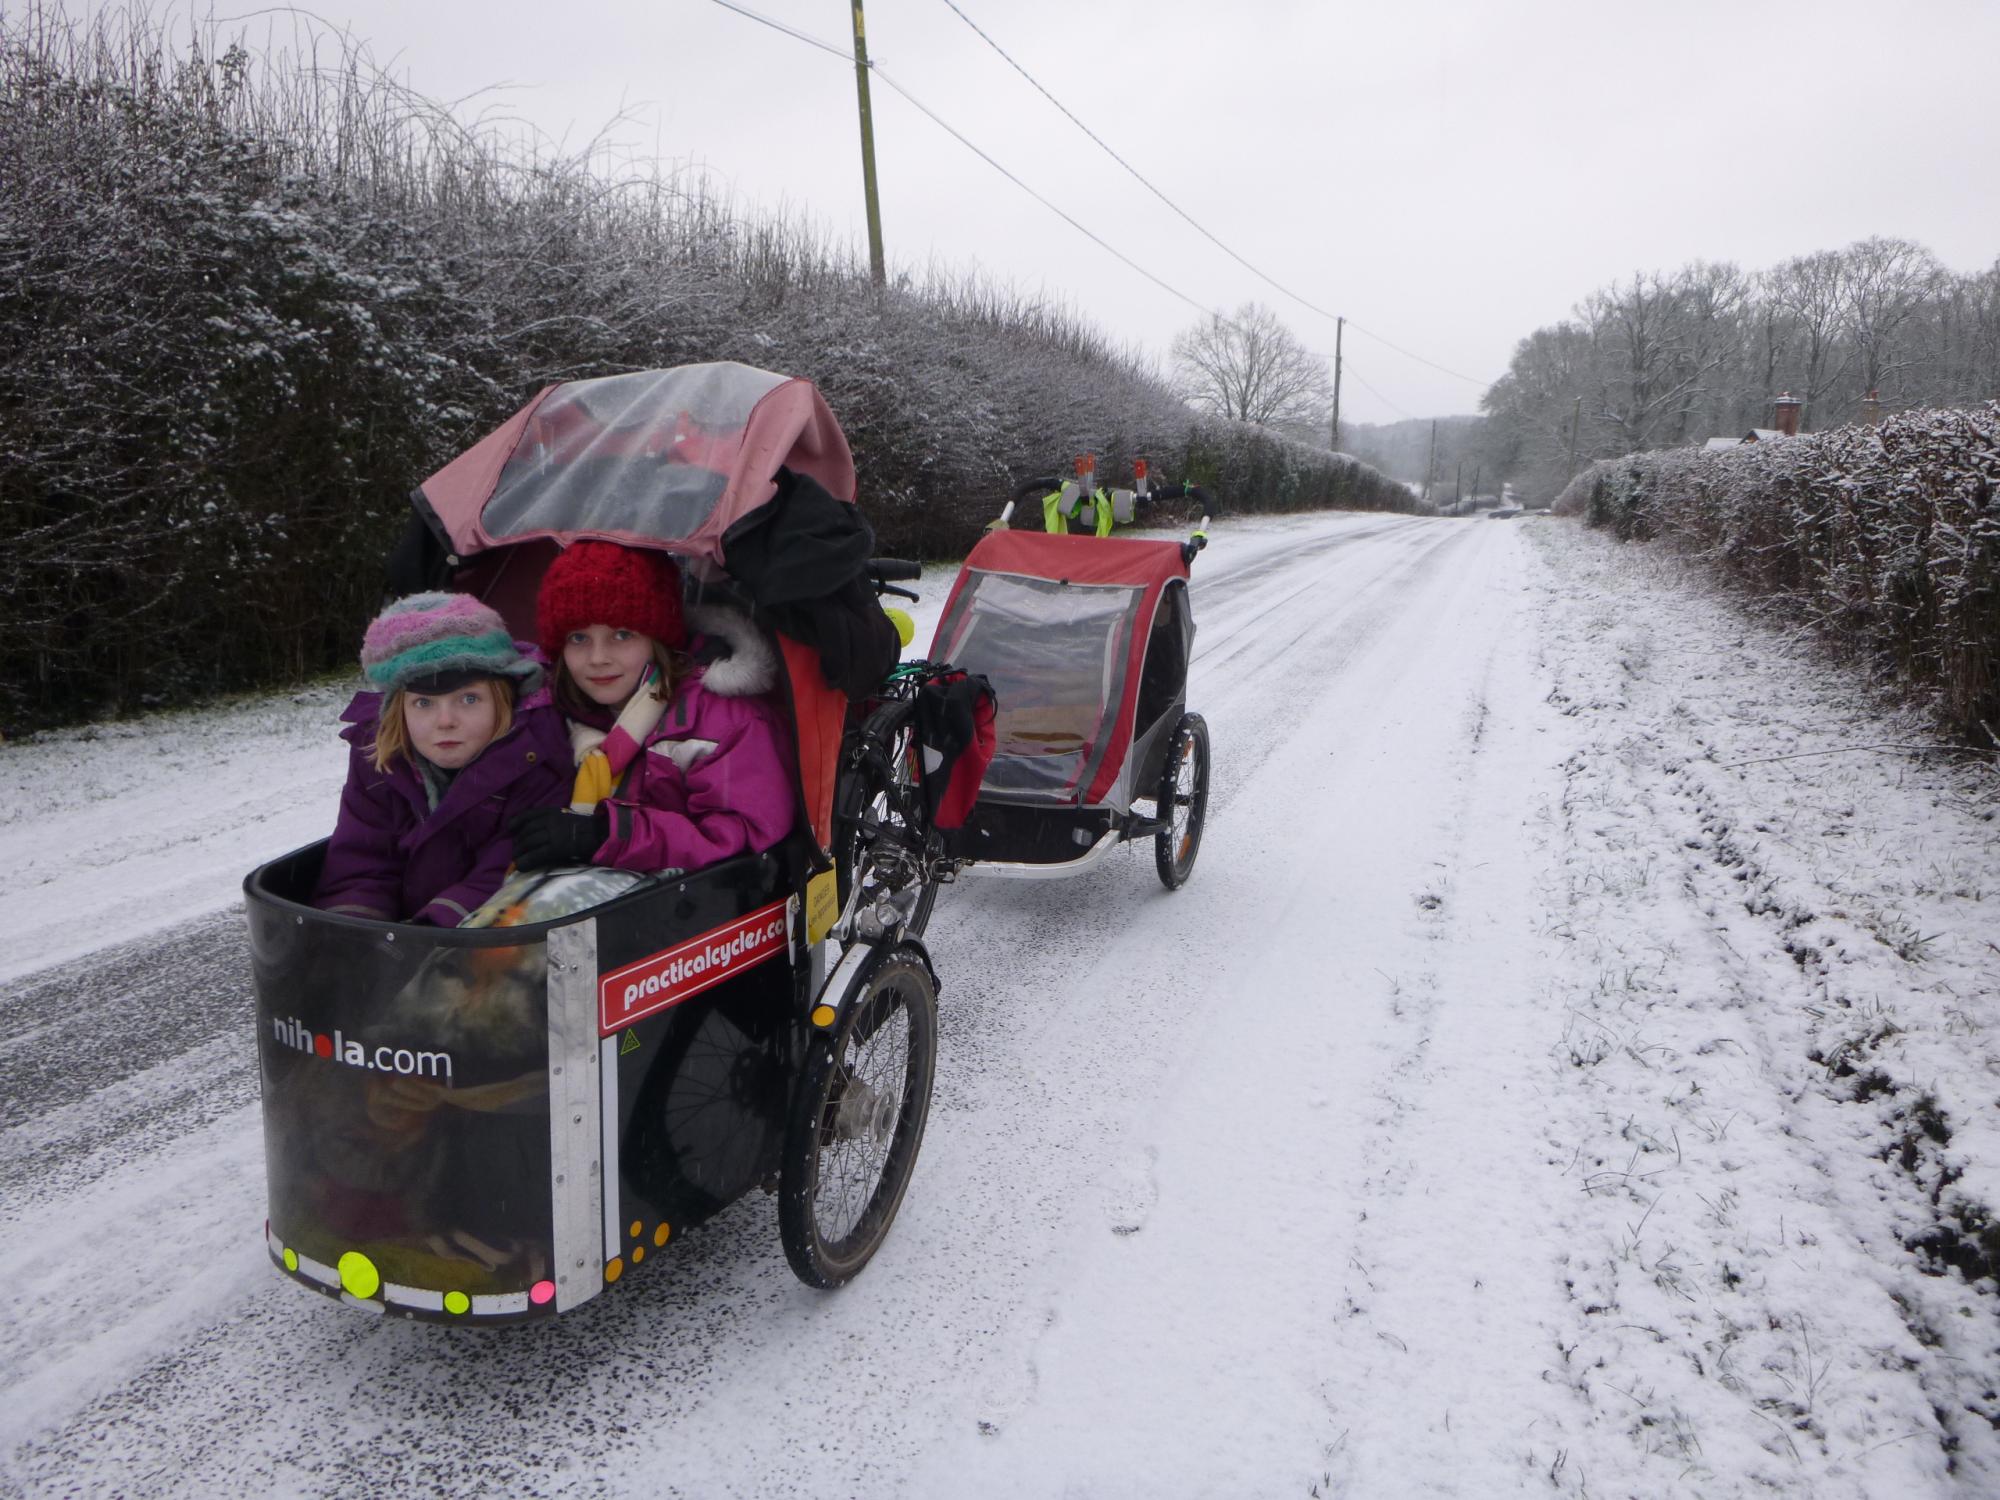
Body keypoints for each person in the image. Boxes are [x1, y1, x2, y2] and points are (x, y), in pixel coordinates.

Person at [508, 541, 795, 873]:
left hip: (695, 911)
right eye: (578, 638)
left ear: (657, 638)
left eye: (622, 635)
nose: (598, 658)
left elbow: (745, 836)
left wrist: (610, 834)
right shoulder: (553, 718)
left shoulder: (724, 723)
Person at [314, 592, 572, 924]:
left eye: (468, 699)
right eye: (424, 703)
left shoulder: (537, 757)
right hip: (396, 941)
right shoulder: (379, 760)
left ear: (501, 700)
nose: (446, 720)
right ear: (398, 710)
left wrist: (430, 935)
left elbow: (505, 873)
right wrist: (355, 933)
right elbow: (361, 862)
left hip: (480, 940)